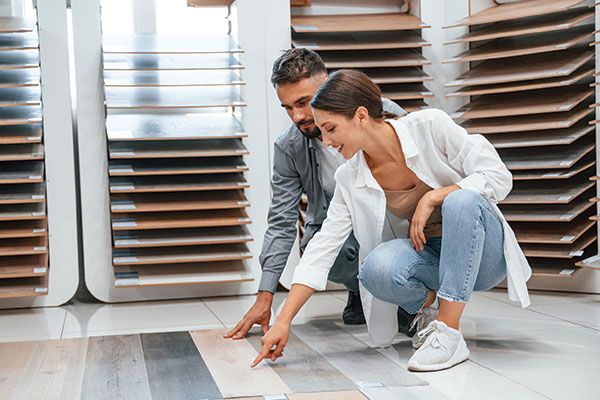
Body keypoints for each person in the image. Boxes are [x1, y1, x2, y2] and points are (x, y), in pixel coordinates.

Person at [251, 69, 532, 372]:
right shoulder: (349, 176)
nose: (328, 142)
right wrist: (283, 321)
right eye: (323, 132)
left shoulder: (430, 126)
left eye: (331, 129)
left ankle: (448, 335)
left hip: (483, 258)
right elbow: (323, 247)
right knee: (375, 270)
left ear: (361, 116)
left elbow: (498, 176)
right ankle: (429, 310)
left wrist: (434, 197)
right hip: (433, 257)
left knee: (461, 200)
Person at [224, 50, 406, 340]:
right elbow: (281, 222)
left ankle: (408, 296)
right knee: (317, 248)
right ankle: (360, 289)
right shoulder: (289, 147)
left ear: (328, 86)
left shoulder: (383, 114)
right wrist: (265, 295)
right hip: (343, 233)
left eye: (304, 102)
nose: (297, 116)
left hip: (397, 223)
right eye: (287, 108)